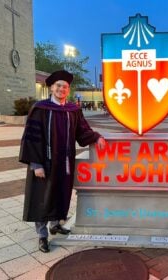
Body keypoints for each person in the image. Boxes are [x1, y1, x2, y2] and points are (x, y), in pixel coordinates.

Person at [19, 70, 106, 253]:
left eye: (65, 86)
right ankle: (42, 235)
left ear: (68, 89)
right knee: (42, 198)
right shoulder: (40, 109)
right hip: (45, 163)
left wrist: (96, 137)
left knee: (60, 194)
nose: (61, 89)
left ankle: (55, 224)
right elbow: (30, 138)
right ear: (51, 87)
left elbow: (82, 131)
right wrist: (36, 165)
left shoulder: (72, 110)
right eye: (58, 85)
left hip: (64, 163)